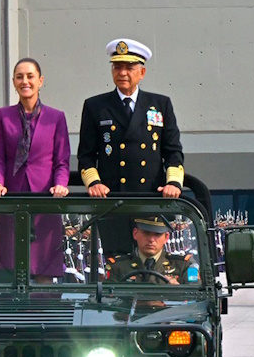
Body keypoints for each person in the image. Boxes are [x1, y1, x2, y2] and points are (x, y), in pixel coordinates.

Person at [77, 38, 185, 256]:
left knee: (151, 261)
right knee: (118, 262)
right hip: (112, 201)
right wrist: (94, 183)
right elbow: (86, 155)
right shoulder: (96, 106)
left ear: (142, 72)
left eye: (129, 67)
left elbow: (173, 151)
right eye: (117, 67)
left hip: (150, 200)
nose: (123, 73)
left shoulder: (160, 104)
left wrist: (173, 183)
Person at [0, 58, 71, 282]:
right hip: (13, 197)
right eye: (19, 77)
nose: (25, 81)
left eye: (30, 76)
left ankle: (44, 305)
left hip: (45, 199)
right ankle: (12, 305)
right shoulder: (3, 116)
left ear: (40, 81)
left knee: (45, 266)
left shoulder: (56, 117)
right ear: (14, 82)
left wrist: (61, 184)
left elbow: (62, 160)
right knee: (11, 264)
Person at [107, 216, 192, 284]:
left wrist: (177, 291)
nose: (151, 239)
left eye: (157, 234)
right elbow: (109, 297)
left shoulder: (182, 265)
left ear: (166, 237)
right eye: (146, 233)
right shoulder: (118, 266)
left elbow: (194, 295)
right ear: (135, 233)